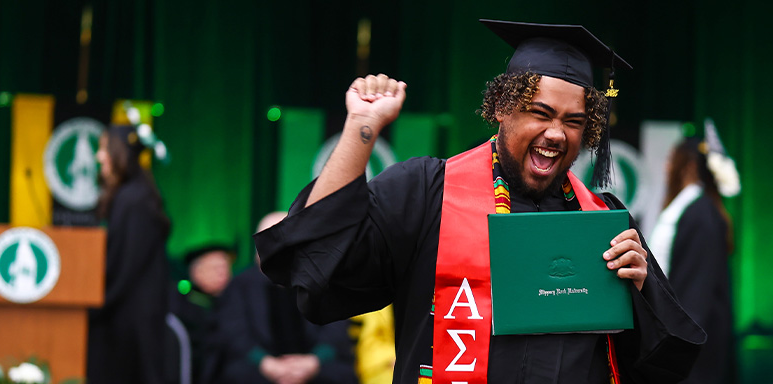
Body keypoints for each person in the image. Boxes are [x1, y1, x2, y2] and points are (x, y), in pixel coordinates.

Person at [255, 20, 706, 383]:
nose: (556, 133)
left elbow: (661, 362)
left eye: (573, 121)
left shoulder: (602, 218)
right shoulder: (428, 190)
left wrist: (642, 288)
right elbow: (319, 261)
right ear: (502, 109)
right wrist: (361, 128)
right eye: (540, 112)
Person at [211, 212, 359, 384]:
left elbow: (336, 333)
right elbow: (235, 335)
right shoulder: (239, 286)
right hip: (258, 370)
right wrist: (268, 365)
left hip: (316, 370)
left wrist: (311, 363)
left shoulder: (323, 281)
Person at [648, 128, 740, 384]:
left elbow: (695, 297)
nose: (666, 165)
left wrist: (677, 348)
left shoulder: (700, 215)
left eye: (671, 158)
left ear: (687, 164)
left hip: (692, 351)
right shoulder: (692, 209)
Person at [88, 124, 171, 384]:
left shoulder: (133, 200)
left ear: (120, 153)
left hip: (127, 324)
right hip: (134, 317)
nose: (99, 157)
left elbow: (123, 267)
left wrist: (94, 305)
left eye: (104, 149)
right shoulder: (137, 196)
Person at [168, 244, 236, 384]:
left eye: (225, 267)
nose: (222, 273)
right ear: (196, 272)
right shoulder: (181, 306)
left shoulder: (234, 303)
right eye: (215, 268)